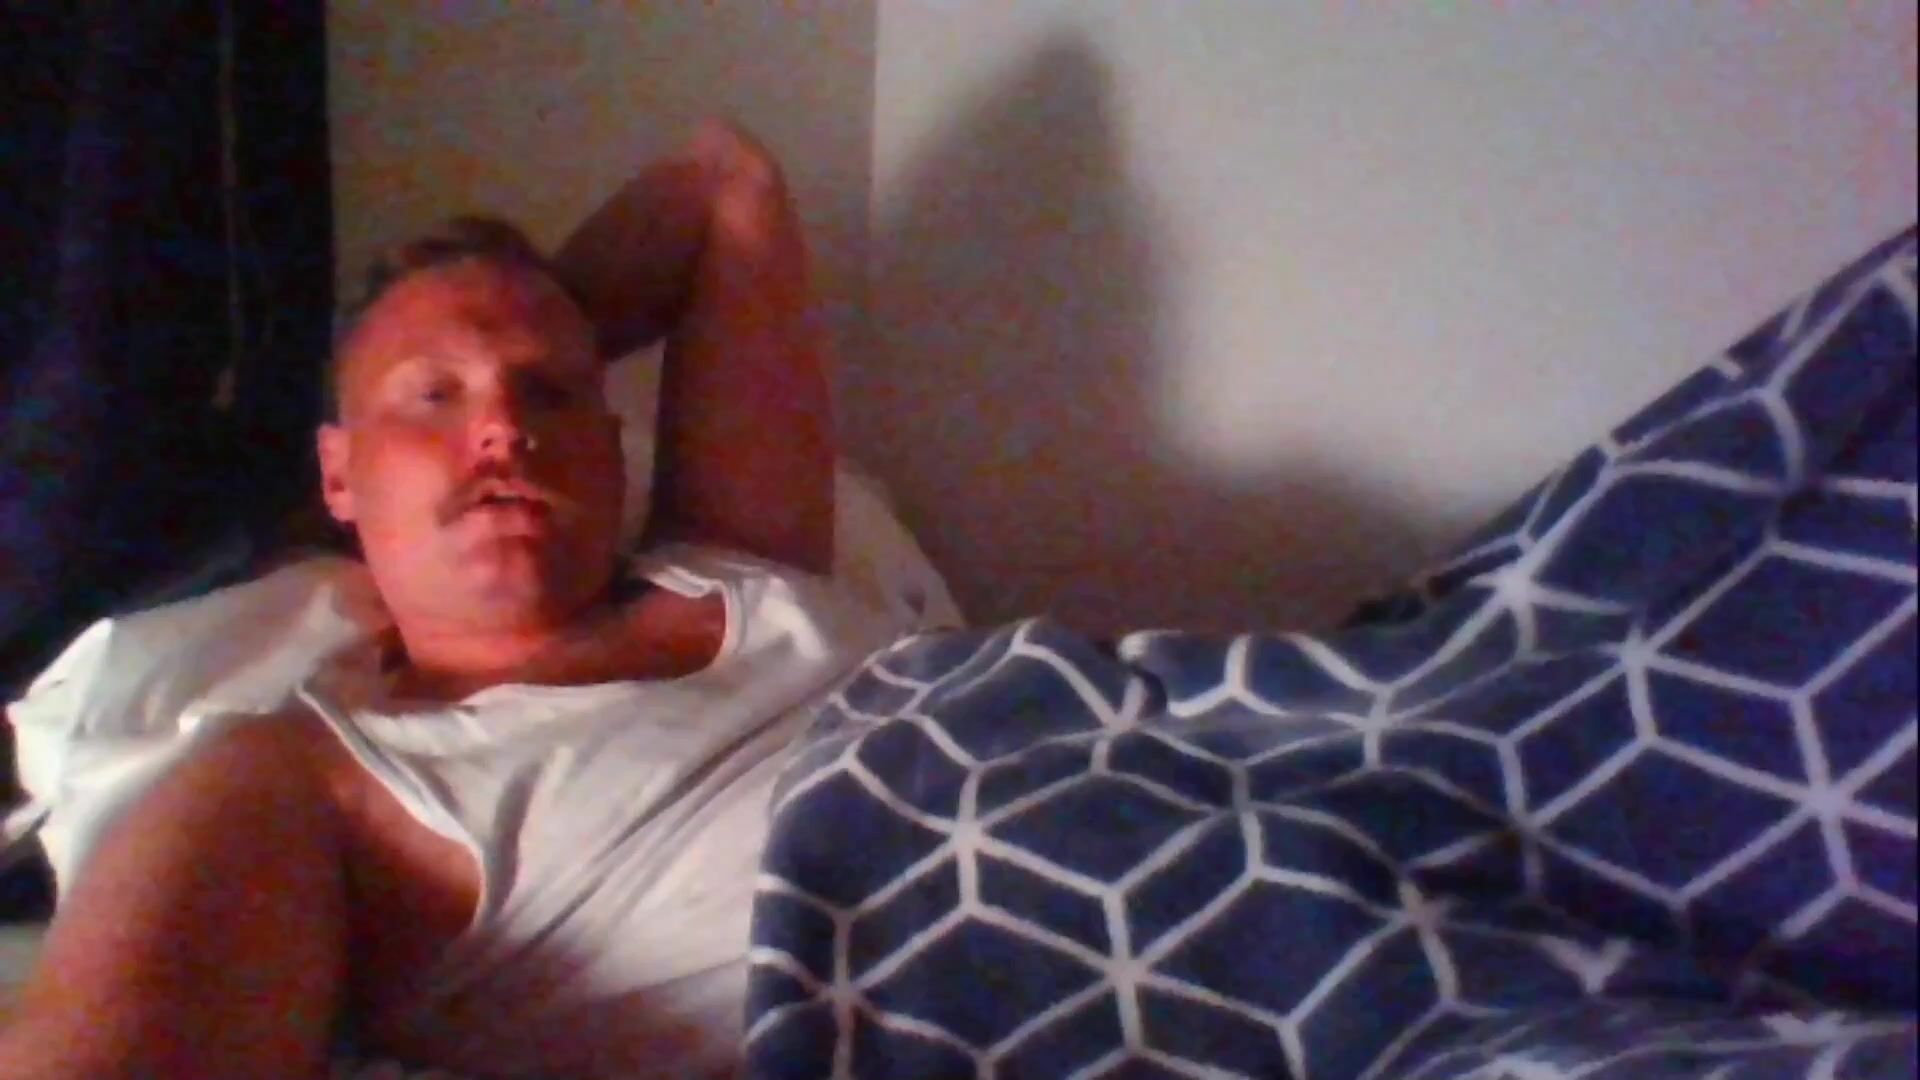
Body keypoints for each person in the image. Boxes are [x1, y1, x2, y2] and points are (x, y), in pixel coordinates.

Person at [0, 121, 896, 1079]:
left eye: (548, 392)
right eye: (434, 396)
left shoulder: (743, 566)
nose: (502, 425)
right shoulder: (304, 780)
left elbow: (725, 183)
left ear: (609, 446)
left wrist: (502, 327)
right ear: (337, 474)